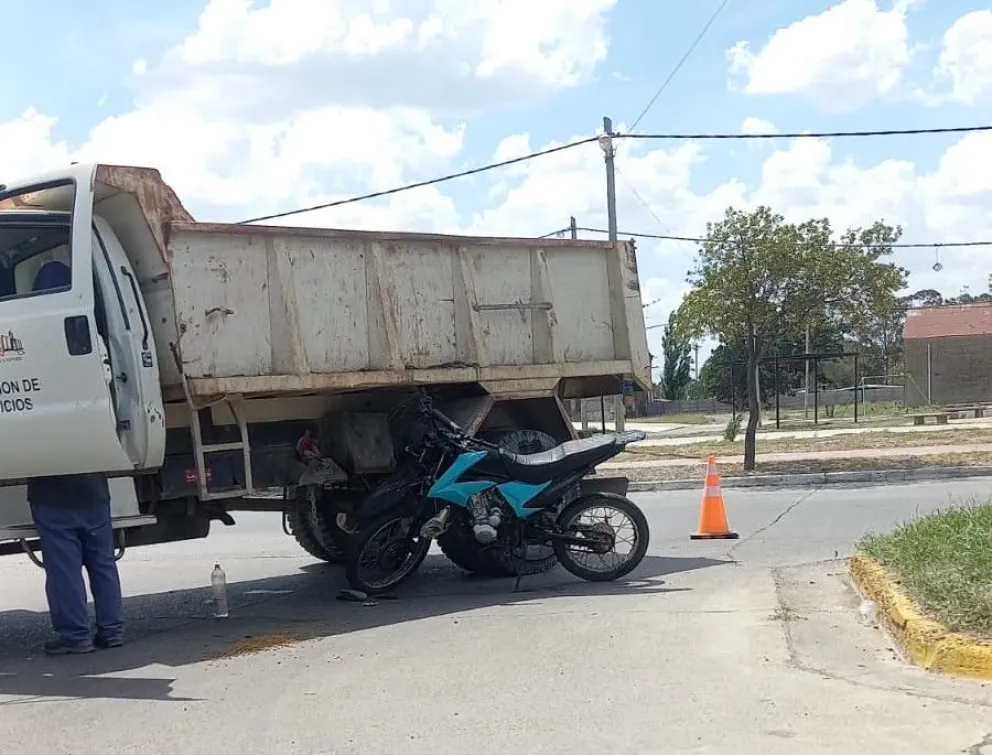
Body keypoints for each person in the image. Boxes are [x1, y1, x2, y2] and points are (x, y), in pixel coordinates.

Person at [27, 260, 124, 655]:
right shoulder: (89, 337)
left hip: (51, 471)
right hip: (90, 467)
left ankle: (75, 637)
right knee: (101, 559)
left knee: (63, 563)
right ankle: (112, 631)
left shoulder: (32, 344)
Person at [29, 473, 125, 655]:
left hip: (51, 496)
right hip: (94, 491)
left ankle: (75, 636)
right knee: (103, 564)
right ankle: (112, 632)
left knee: (64, 569)